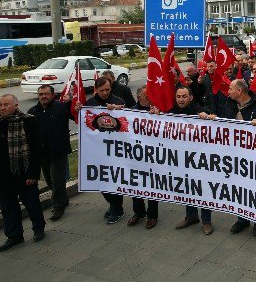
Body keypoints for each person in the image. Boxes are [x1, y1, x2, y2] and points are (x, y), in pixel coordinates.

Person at [0, 94, 46, 252]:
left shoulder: (28, 121)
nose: (2, 108)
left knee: (32, 205)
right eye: (0, 105)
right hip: (2, 176)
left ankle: (38, 229)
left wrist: (33, 174)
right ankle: (14, 236)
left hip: (24, 174)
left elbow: (36, 149)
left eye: (6, 104)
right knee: (8, 209)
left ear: (16, 105)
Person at [212, 79, 256, 237]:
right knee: (239, 188)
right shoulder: (229, 104)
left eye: (230, 88)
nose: (227, 91)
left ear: (240, 91)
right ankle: (242, 219)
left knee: (255, 189)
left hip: (254, 156)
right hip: (234, 155)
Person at [160, 86, 213, 234]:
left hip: (199, 159)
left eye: (184, 96)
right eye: (178, 97)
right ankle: (191, 216)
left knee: (202, 189)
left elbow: (213, 116)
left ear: (190, 97)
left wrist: (207, 115)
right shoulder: (172, 113)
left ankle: (206, 221)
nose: (181, 99)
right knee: (188, 188)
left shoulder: (198, 110)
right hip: (182, 160)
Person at [80, 77, 127, 223]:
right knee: (100, 181)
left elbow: (128, 120)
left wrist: (120, 110)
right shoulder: (90, 103)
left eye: (107, 89)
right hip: (97, 150)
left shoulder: (118, 101)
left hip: (115, 149)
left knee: (113, 179)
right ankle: (113, 205)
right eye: (102, 90)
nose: (105, 93)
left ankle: (117, 209)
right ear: (96, 90)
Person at [28, 84, 73, 221]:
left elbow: (75, 116)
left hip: (58, 151)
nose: (43, 96)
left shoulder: (62, 107)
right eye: (41, 94)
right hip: (42, 153)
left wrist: (71, 103)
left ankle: (58, 206)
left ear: (52, 95)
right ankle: (63, 199)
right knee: (49, 180)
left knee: (57, 180)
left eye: (46, 94)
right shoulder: (32, 111)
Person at [128, 86, 159, 229]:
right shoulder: (132, 112)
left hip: (153, 155)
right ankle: (139, 212)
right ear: (139, 98)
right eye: (147, 96)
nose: (151, 98)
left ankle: (152, 216)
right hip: (136, 154)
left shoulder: (157, 110)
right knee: (135, 184)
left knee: (152, 185)